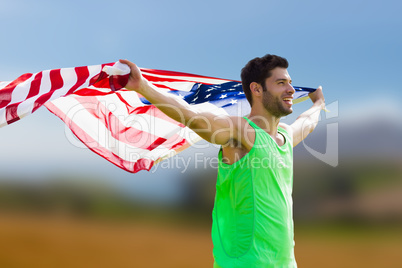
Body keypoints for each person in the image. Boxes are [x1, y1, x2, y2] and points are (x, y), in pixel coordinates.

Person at [120, 54, 325, 268]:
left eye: (290, 83)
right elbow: (194, 117)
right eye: (281, 83)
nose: (290, 89)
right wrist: (142, 86)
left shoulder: (285, 136)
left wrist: (318, 103)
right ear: (256, 89)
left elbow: (307, 122)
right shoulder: (240, 131)